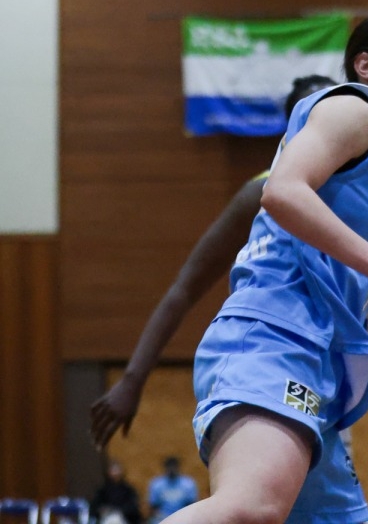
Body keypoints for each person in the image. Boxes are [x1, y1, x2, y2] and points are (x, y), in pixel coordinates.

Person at [161, 8, 368, 524]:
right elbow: (282, 192)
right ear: (367, 64)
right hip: (272, 341)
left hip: (320, 361)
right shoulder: (356, 107)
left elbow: (322, 280)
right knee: (250, 508)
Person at [89, 74, 338, 451]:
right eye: (318, 114)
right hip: (268, 362)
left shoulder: (364, 192)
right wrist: (132, 379)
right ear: (295, 130)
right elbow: (185, 287)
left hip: (327, 372)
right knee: (261, 484)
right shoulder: (264, 191)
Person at [90, 460, 143, 524]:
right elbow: (95, 506)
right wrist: (102, 510)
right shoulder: (102, 490)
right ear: (108, 472)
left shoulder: (128, 490)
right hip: (106, 518)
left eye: (117, 470)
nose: (115, 473)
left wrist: (119, 511)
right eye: (113, 470)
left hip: (124, 518)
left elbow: (133, 506)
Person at [147, 456, 198, 522]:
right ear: (165, 468)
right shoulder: (157, 484)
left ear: (178, 467)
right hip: (162, 518)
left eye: (173, 467)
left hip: (183, 518)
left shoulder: (188, 484)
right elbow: (153, 506)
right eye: (169, 467)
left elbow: (192, 505)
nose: (171, 469)